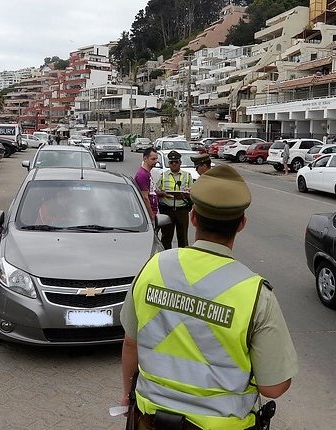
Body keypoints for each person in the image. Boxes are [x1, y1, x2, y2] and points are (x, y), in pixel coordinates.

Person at [120, 164, 297, 430]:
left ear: (193, 218)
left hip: (150, 420)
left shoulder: (153, 267)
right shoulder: (256, 294)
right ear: (241, 224)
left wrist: (126, 397)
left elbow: (131, 344)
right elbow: (273, 387)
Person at [156, 150, 192, 249]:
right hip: (167, 210)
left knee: (183, 238)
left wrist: (186, 195)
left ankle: (183, 259)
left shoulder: (187, 176)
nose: (174, 164)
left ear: (180, 162)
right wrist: (163, 194)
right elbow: (156, 192)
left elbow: (192, 193)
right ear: (168, 164)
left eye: (176, 162)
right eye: (171, 162)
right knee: (166, 237)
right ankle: (165, 258)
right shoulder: (163, 175)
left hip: (182, 210)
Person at [135, 149, 159, 223]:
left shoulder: (148, 173)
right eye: (153, 159)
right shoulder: (142, 175)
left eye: (156, 159)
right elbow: (145, 197)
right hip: (148, 214)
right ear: (145, 159)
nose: (155, 161)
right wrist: (151, 215)